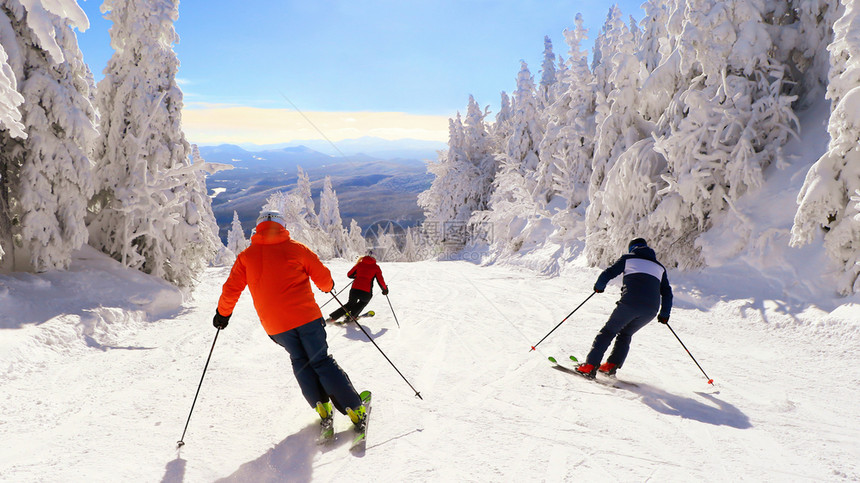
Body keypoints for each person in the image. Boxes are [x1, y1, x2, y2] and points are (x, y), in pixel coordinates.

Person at [213, 210, 366, 430]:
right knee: (320, 361)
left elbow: (230, 290)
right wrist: (329, 286)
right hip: (306, 319)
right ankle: (354, 408)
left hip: (276, 327)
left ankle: (322, 407)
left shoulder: (246, 257)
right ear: (283, 226)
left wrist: (222, 315)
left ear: (258, 229)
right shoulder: (297, 249)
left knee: (300, 361)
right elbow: (324, 281)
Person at [576, 237, 673, 379]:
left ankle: (590, 366)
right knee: (625, 334)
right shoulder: (660, 267)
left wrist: (599, 287)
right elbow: (667, 293)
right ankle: (611, 366)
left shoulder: (629, 258)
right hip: (651, 310)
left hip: (630, 304)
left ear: (631, 248)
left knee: (608, 331)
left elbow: (608, 273)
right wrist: (664, 314)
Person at [327, 250, 388, 324]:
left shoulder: (359, 264)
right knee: (363, 302)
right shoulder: (376, 267)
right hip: (366, 292)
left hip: (354, 289)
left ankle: (333, 317)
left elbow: (349, 274)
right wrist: (385, 290)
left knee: (350, 304)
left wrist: (358, 276)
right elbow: (380, 281)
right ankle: (352, 316)